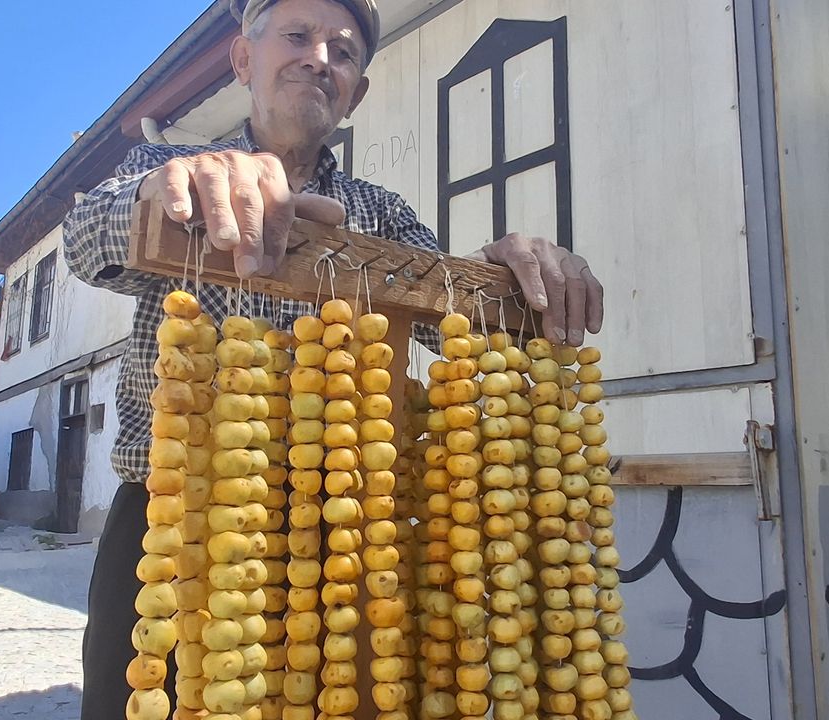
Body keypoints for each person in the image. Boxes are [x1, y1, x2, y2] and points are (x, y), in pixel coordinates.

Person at [62, 0, 605, 716]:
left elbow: (457, 328)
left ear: (356, 91)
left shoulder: (379, 213)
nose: (321, 58)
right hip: (179, 521)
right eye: (297, 36)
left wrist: (511, 277)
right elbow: (85, 239)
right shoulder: (171, 169)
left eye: (343, 52)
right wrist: (158, 195)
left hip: (347, 530)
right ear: (242, 60)